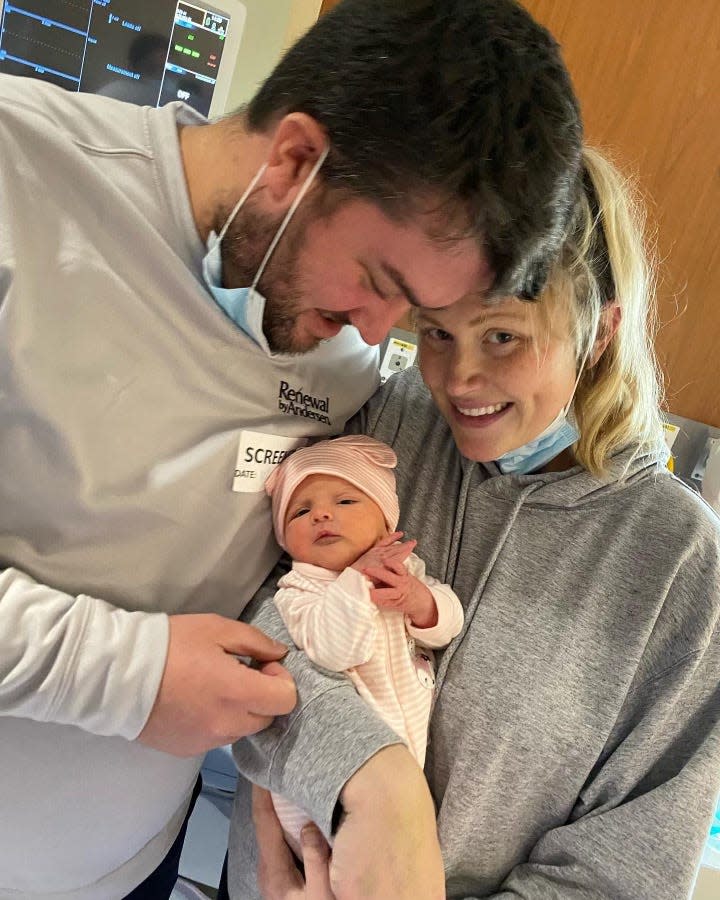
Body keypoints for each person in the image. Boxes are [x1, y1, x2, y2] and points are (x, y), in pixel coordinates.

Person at [0, 0, 584, 895]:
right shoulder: (19, 181)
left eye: (415, 316)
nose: (375, 333)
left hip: (127, 867)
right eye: (378, 283)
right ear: (295, 162)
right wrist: (127, 674)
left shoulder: (344, 368)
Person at [227, 146, 720, 900]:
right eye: (437, 333)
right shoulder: (384, 425)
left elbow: (626, 867)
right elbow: (258, 613)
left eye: (504, 337)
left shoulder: (674, 559)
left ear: (600, 333)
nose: (458, 381)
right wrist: (372, 777)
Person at [264, 435, 464, 855]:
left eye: (345, 502)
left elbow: (448, 626)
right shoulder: (298, 590)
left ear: (386, 523)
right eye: (301, 511)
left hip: (401, 756)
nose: (321, 514)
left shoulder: (402, 570)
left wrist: (421, 602)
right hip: (326, 780)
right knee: (344, 858)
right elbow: (337, 650)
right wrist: (356, 580)